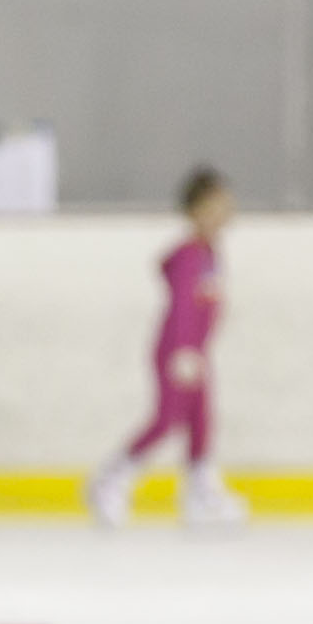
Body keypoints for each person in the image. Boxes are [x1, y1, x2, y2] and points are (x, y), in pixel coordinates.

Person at [88, 166, 243, 528]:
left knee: (201, 422)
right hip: (179, 349)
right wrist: (185, 349)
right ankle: (112, 479)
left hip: (195, 351)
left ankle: (199, 493)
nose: (226, 213)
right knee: (168, 420)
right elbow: (183, 307)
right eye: (218, 205)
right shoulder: (190, 255)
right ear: (198, 209)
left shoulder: (209, 253)